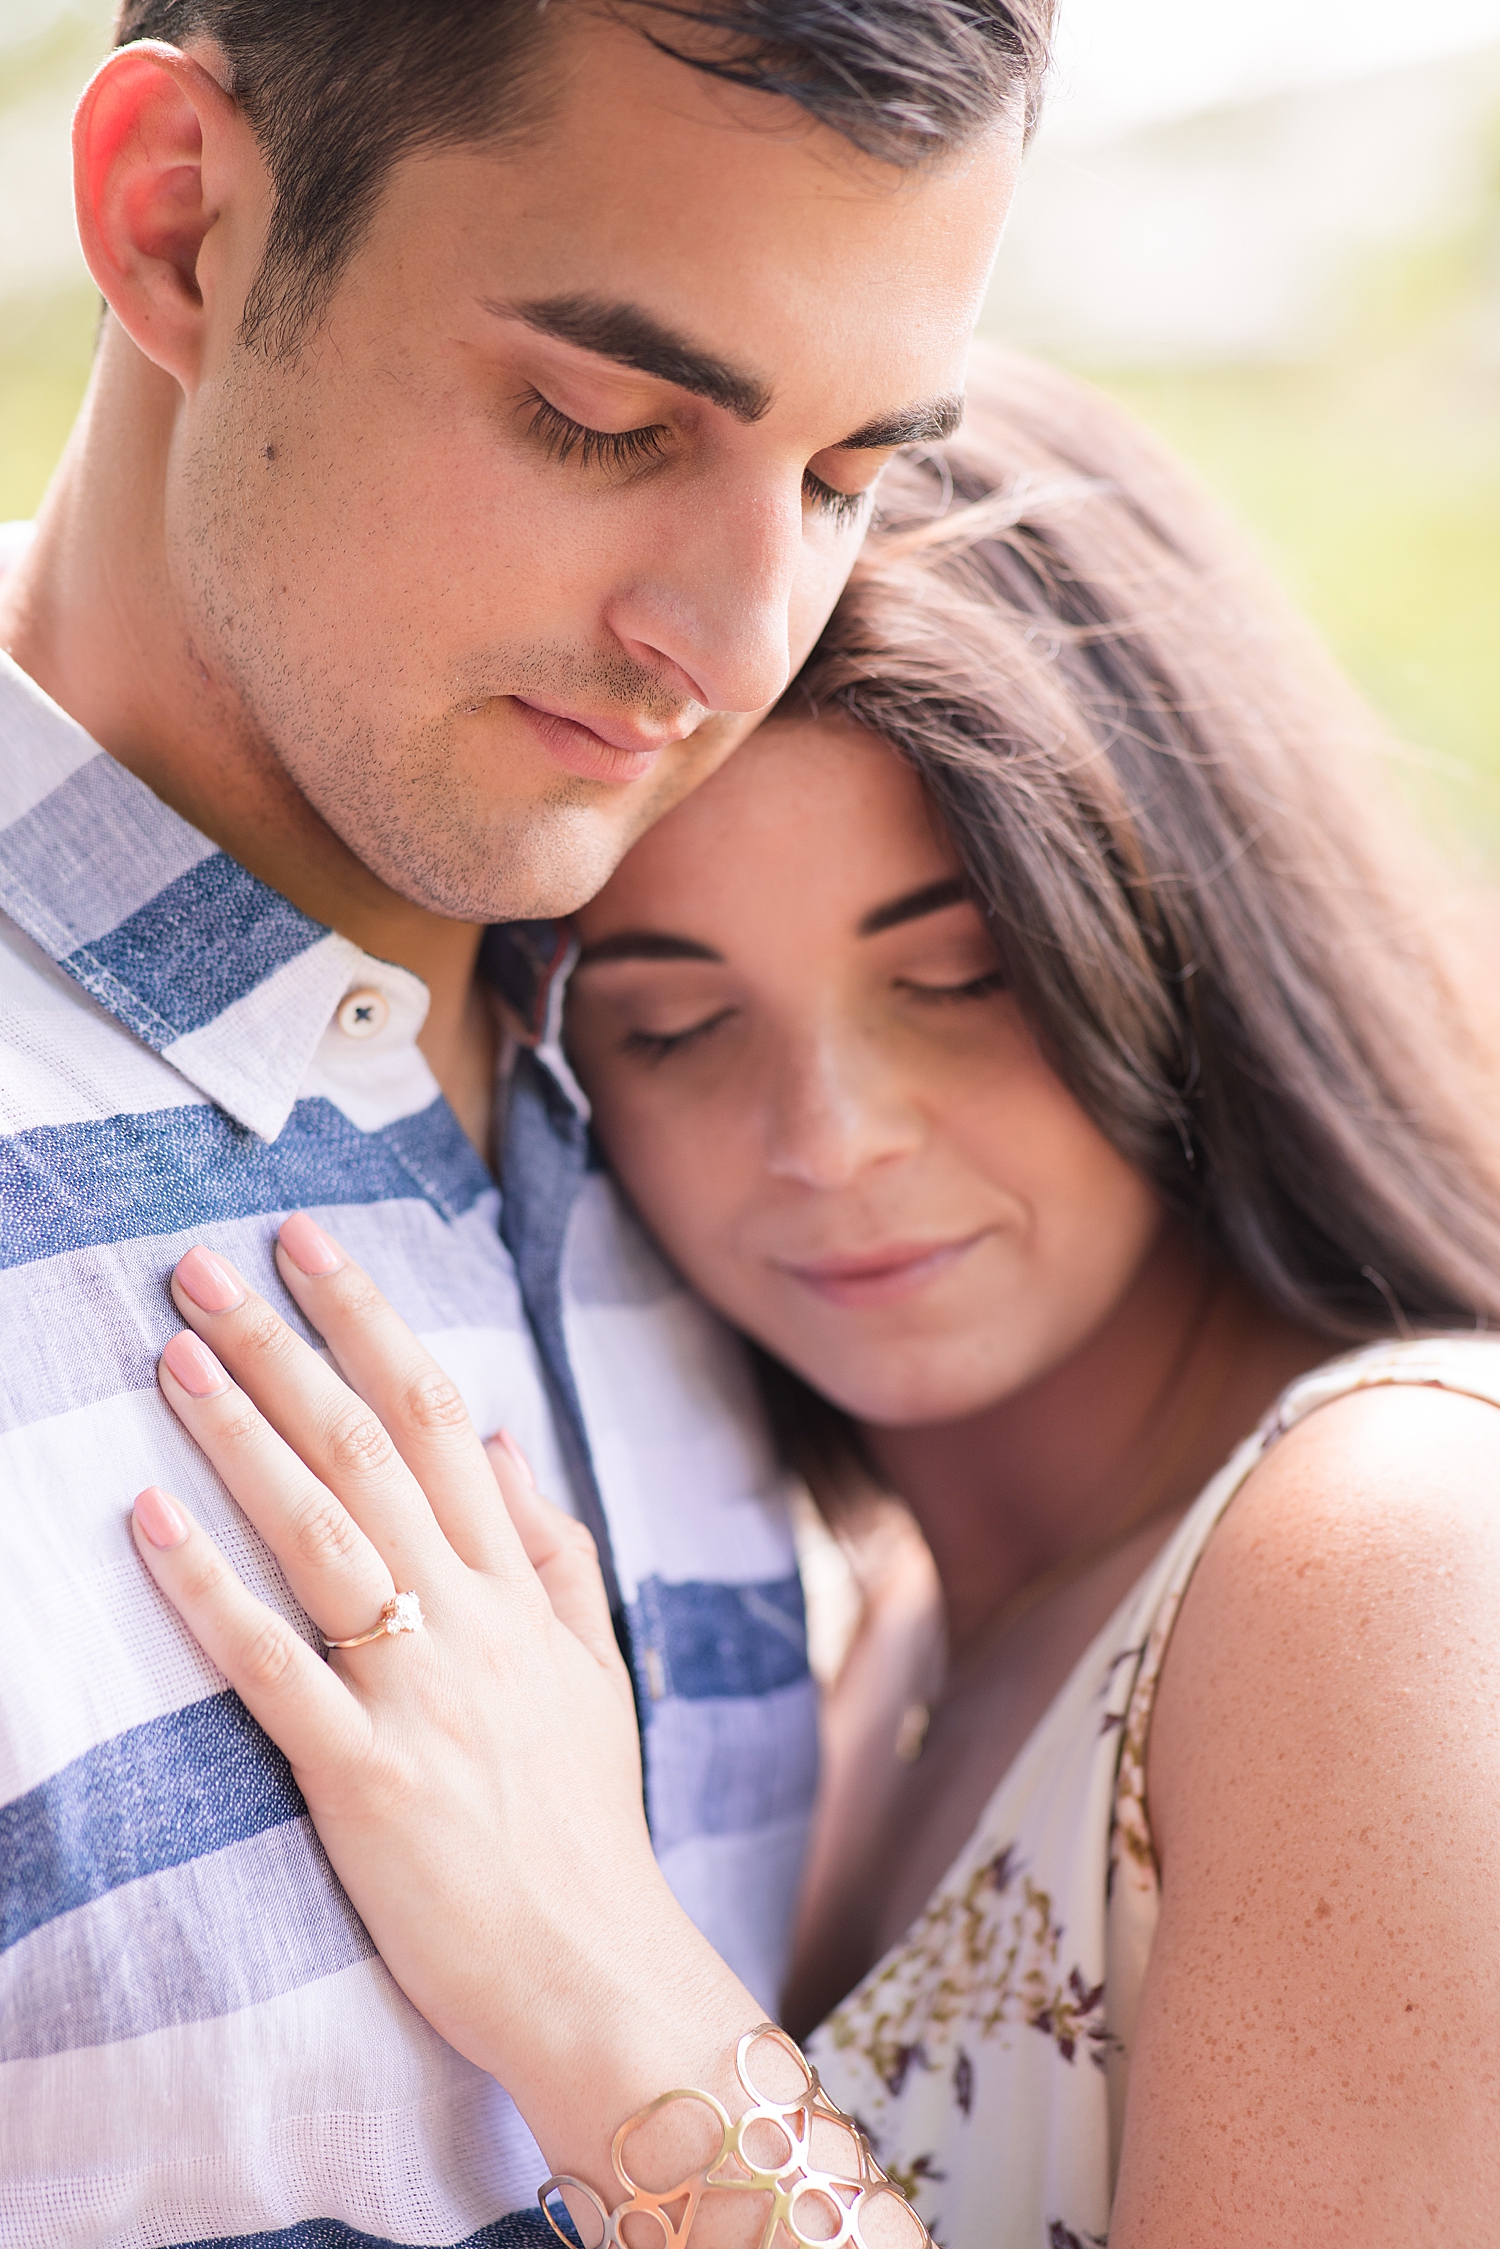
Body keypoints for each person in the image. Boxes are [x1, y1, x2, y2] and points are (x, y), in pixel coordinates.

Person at [124, 349, 1500, 2247]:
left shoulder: (1396, 1544)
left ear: (1188, 937)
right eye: (675, 1027)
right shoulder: (875, 1679)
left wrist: (595, 1974)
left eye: (956, 981)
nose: (828, 1139)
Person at [0, 5, 1042, 2241]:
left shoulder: (753, 1122)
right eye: (602, 418)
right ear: (174, 223)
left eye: (852, 476)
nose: (734, 637)